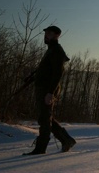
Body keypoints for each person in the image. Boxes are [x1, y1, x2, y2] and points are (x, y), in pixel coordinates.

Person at [23, 25, 76, 155]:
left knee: (44, 119)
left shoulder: (57, 51)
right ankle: (67, 140)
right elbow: (47, 71)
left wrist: (50, 93)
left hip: (47, 90)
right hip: (44, 88)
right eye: (46, 33)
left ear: (57, 35)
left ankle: (40, 148)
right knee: (46, 118)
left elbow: (58, 73)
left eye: (49, 33)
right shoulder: (51, 50)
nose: (46, 35)